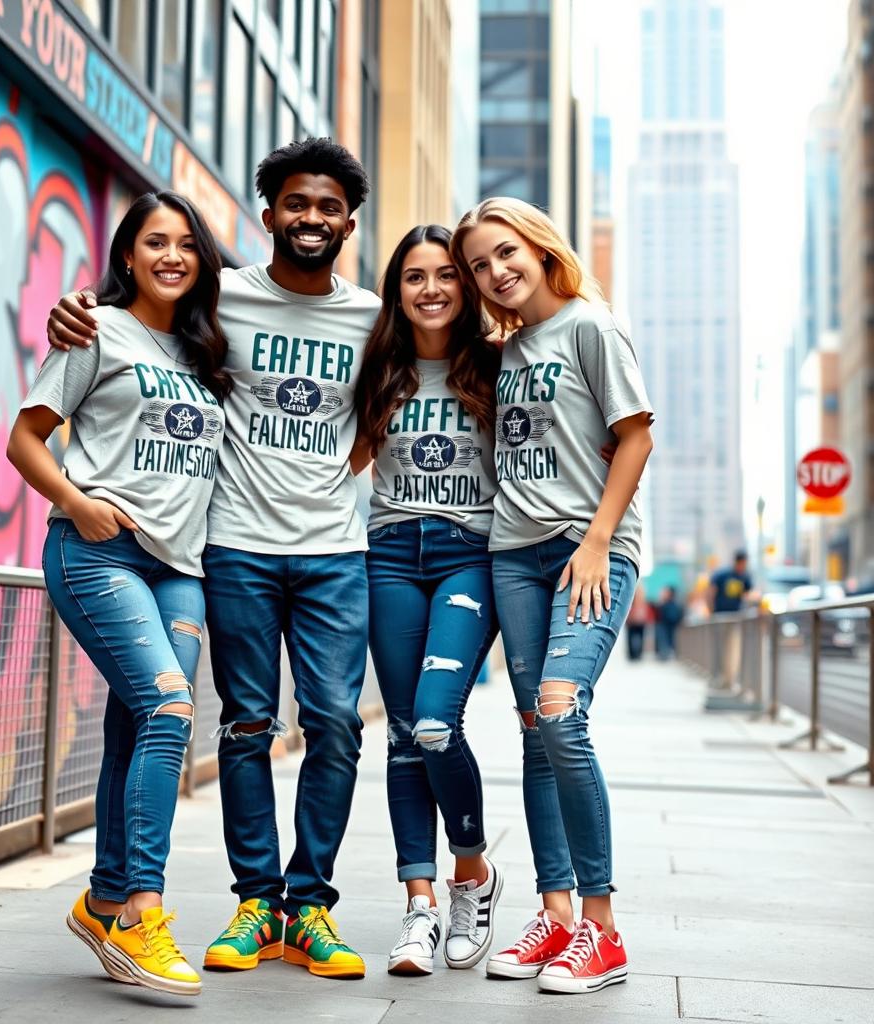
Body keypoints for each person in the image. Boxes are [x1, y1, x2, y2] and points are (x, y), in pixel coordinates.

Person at [46, 139, 380, 980]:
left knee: (336, 723)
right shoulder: (215, 295)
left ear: (349, 220)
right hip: (228, 545)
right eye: (296, 205)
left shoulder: (373, 316)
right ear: (266, 215)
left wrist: (341, 472)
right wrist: (72, 310)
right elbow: (135, 311)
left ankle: (309, 909)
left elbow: (410, 385)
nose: (311, 219)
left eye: (329, 206)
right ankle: (254, 901)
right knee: (242, 724)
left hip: (333, 550)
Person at [8, 191, 230, 996]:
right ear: (127, 255)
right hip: (100, 551)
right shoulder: (94, 327)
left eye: (185, 244)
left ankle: (103, 898)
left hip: (180, 566)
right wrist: (74, 501)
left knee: (140, 721)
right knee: (171, 710)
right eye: (153, 242)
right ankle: (141, 914)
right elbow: (23, 438)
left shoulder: (208, 352)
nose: (171, 255)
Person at [452, 197, 654, 994]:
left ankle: (602, 930)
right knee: (536, 727)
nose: (496, 273)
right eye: (479, 265)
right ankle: (558, 914)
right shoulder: (502, 354)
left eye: (506, 254)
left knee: (564, 710)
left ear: (539, 248)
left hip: (585, 549)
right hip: (513, 552)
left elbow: (634, 432)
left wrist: (600, 537)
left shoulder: (589, 326)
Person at [352, 225, 503, 976]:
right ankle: (419, 906)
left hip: (466, 557)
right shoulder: (378, 369)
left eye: (446, 274)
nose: (432, 288)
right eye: (414, 277)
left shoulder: (498, 366)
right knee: (403, 730)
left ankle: (471, 874)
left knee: (438, 722)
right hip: (388, 557)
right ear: (396, 290)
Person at [708, 550, 754, 687]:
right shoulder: (722, 575)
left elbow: (748, 594)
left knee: (733, 648)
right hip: (720, 615)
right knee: (720, 648)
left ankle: (729, 678)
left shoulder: (745, 576)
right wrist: (711, 611)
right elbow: (711, 592)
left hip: (736, 617)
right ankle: (719, 677)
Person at [654, 586, 683, 660]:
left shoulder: (670, 605)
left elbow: (672, 617)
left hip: (669, 628)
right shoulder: (670, 604)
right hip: (668, 629)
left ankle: (665, 654)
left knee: (668, 641)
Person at [624, 585, 651, 661]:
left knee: (631, 637)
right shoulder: (643, 598)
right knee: (640, 637)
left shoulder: (631, 596)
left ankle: (632, 654)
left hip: (632, 618)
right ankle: (638, 654)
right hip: (639, 619)